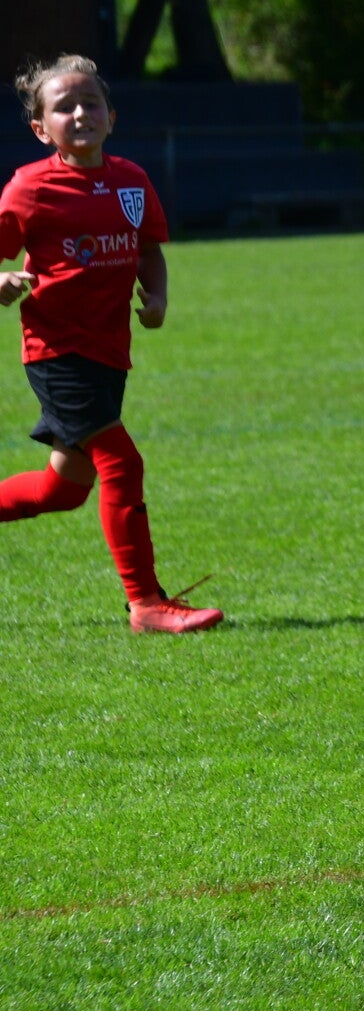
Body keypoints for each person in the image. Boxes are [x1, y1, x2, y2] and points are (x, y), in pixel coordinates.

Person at [0, 56, 222, 634]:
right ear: (40, 129)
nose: (80, 114)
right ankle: (146, 603)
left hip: (108, 353)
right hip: (57, 351)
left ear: (111, 115)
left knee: (62, 489)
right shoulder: (30, 187)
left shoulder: (131, 180)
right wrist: (2, 281)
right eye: (64, 107)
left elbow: (148, 249)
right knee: (123, 462)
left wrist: (158, 296)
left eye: (90, 102)